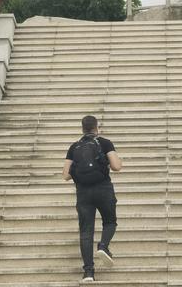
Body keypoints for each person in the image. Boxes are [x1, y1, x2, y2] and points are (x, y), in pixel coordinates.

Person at [63, 115, 123, 283]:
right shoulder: (104, 143)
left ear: (82, 128)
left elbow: (66, 175)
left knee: (86, 232)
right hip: (103, 188)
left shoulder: (74, 147)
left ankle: (88, 272)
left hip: (83, 193)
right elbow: (116, 166)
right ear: (97, 127)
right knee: (110, 222)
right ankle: (103, 246)